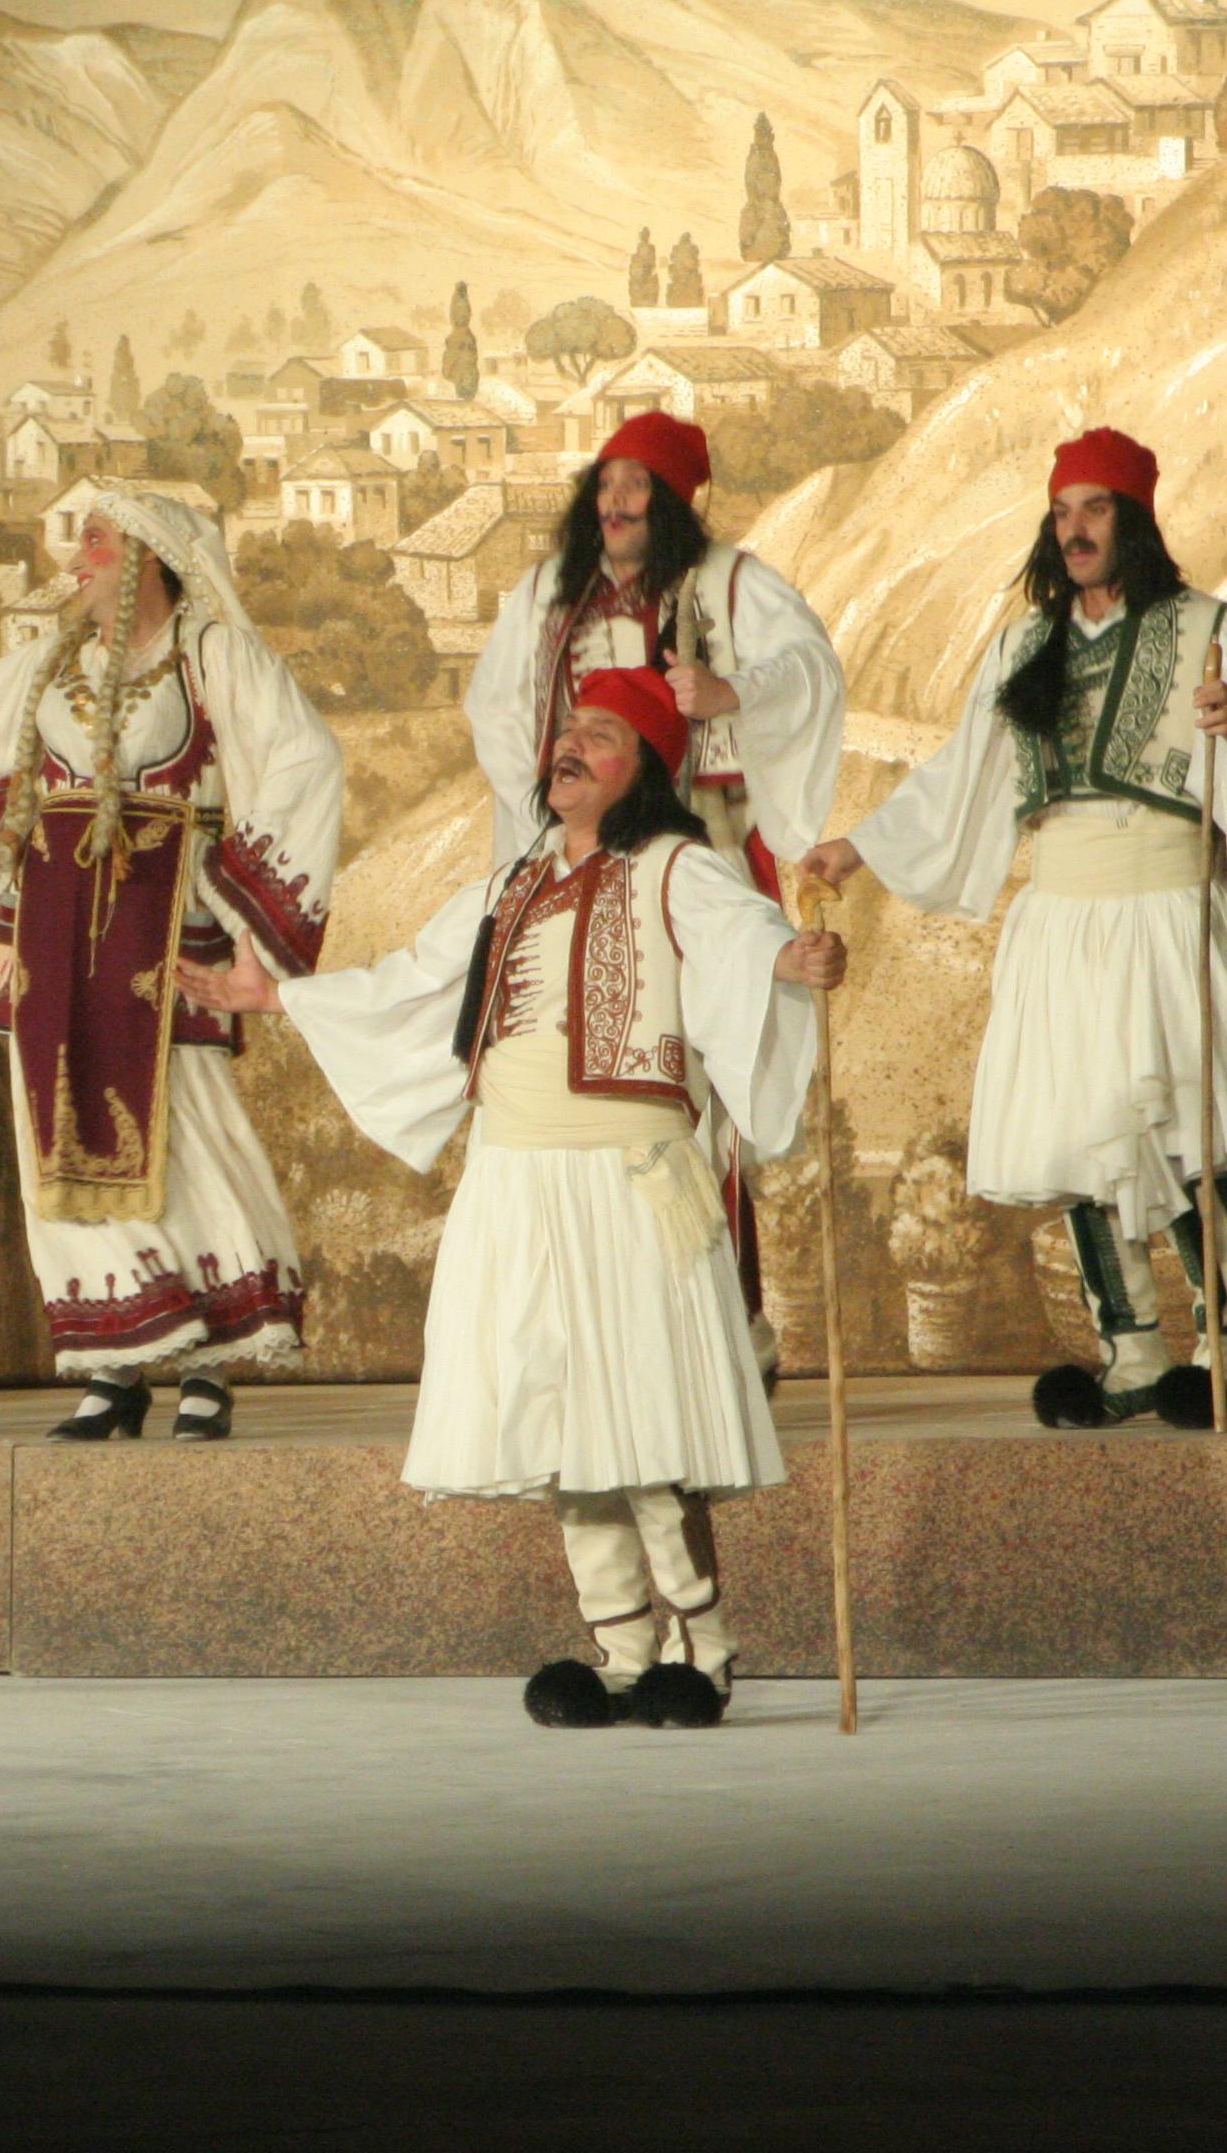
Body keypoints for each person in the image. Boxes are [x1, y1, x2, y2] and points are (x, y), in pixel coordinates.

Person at [187, 668, 842, 1726]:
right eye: (567, 730)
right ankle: (621, 1650)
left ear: (644, 766)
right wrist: (283, 996)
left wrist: (793, 960)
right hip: (516, 1178)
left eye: (601, 734)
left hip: (626, 1178)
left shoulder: (677, 868)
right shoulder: (512, 882)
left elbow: (746, 941)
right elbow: (417, 978)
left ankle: (702, 1649)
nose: (569, 747)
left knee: (647, 1425)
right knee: (560, 1421)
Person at [800, 428, 1227, 1429]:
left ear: (1135, 520)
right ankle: (1130, 1351)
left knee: (1180, 1132)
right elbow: (961, 775)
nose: (1074, 530)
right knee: (1081, 1134)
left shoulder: (1215, 630)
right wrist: (856, 846)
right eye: (1062, 511)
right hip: (1062, 919)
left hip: (1164, 906)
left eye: (1095, 509)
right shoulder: (1023, 648)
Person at [0, 485, 341, 1441]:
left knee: (189, 1128)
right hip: (54, 932)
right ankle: (111, 1362)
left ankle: (208, 1360)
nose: (77, 561)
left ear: (152, 556)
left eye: (97, 542)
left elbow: (304, 760)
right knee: (59, 1123)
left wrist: (233, 891)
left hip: (166, 925)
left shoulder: (213, 658)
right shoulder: (48, 665)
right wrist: (11, 851)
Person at [464, 410, 845, 1361]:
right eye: (606, 483)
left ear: (674, 499)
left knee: (702, 1085)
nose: (617, 502)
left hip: (697, 852)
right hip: (583, 864)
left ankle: (729, 1324)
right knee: (589, 1078)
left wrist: (731, 693)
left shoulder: (729, 582)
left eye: (637, 485)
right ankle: (597, 1330)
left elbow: (811, 665)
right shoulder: (548, 595)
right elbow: (497, 707)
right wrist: (553, 811)